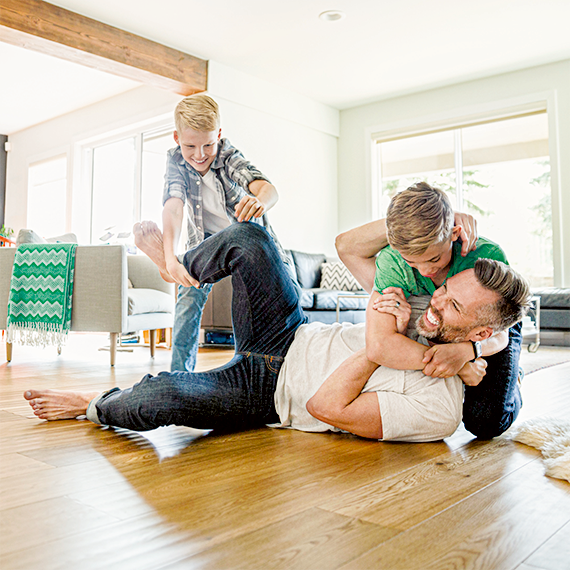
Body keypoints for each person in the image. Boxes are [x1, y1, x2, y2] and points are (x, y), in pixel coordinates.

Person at [24, 223, 530, 443]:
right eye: (444, 289)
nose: (436, 300)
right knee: (253, 239)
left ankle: (92, 403)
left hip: (269, 394)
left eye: (453, 303)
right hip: (290, 332)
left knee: (164, 396)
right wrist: (466, 345)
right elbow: (355, 246)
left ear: (482, 325)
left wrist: (383, 347)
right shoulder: (432, 307)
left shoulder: (440, 411)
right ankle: (181, 269)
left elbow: (326, 408)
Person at [335, 182, 523, 439]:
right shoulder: (393, 261)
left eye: (435, 259)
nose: (425, 271)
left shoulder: (484, 254)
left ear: (455, 234)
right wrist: (459, 366)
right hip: (444, 321)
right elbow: (380, 345)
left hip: (491, 325)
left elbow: (501, 333)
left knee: (485, 423)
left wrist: (468, 350)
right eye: (412, 262)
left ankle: (515, 379)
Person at [137, 93, 289, 373]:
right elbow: (173, 207)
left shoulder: (227, 155)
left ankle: (263, 367)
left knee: (287, 298)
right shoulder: (176, 161)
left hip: (248, 243)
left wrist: (260, 201)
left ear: (218, 135)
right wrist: (170, 258)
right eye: (190, 146)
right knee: (188, 295)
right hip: (208, 243)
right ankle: (178, 376)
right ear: (176, 138)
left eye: (208, 144)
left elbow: (268, 189)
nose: (199, 154)